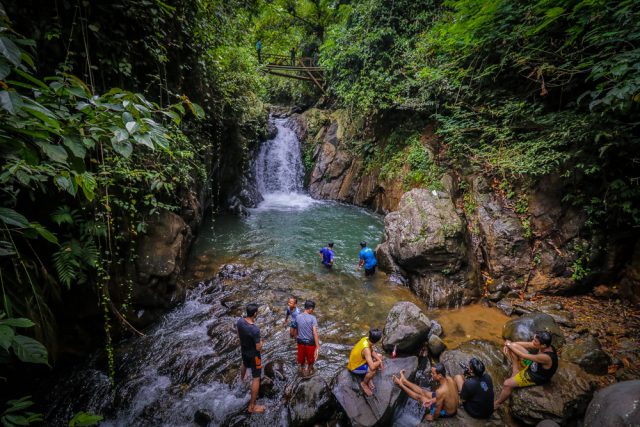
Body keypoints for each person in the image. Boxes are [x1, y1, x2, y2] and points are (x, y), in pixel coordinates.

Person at [494, 331, 559, 409]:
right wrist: (510, 344)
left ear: (543, 345)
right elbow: (527, 344)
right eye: (534, 339)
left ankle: (497, 403)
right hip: (534, 364)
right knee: (514, 346)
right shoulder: (545, 346)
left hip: (535, 375)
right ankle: (515, 371)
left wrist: (508, 345)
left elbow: (522, 355)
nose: (533, 342)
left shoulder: (546, 357)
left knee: (507, 384)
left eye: (535, 341)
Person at [393, 364, 459, 420]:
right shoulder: (449, 379)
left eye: (433, 373)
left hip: (446, 413)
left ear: (440, 376)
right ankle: (404, 381)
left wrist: (432, 417)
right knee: (423, 392)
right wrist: (433, 400)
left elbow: (437, 411)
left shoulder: (440, 391)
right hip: (450, 406)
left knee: (420, 397)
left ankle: (400, 384)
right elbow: (446, 395)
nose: (431, 374)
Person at [236, 303, 265, 413]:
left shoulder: (240, 321)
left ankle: (241, 381)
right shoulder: (255, 329)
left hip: (244, 350)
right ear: (255, 313)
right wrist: (261, 343)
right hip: (254, 356)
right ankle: (252, 406)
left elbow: (238, 335)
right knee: (256, 378)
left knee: (244, 363)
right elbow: (258, 348)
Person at [347, 328, 384, 396]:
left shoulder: (366, 339)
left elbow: (371, 351)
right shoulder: (366, 349)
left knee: (380, 356)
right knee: (372, 371)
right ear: (377, 340)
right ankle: (364, 383)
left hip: (361, 360)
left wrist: (379, 359)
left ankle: (368, 378)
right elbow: (372, 367)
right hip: (354, 367)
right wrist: (379, 362)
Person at [296, 300, 319, 376]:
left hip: (300, 342)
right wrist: (317, 346)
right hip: (310, 344)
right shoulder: (313, 318)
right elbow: (315, 333)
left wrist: (296, 340)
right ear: (311, 309)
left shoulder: (298, 317)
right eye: (313, 309)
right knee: (311, 361)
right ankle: (309, 372)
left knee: (301, 361)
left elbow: (296, 330)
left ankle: (302, 371)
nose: (313, 311)